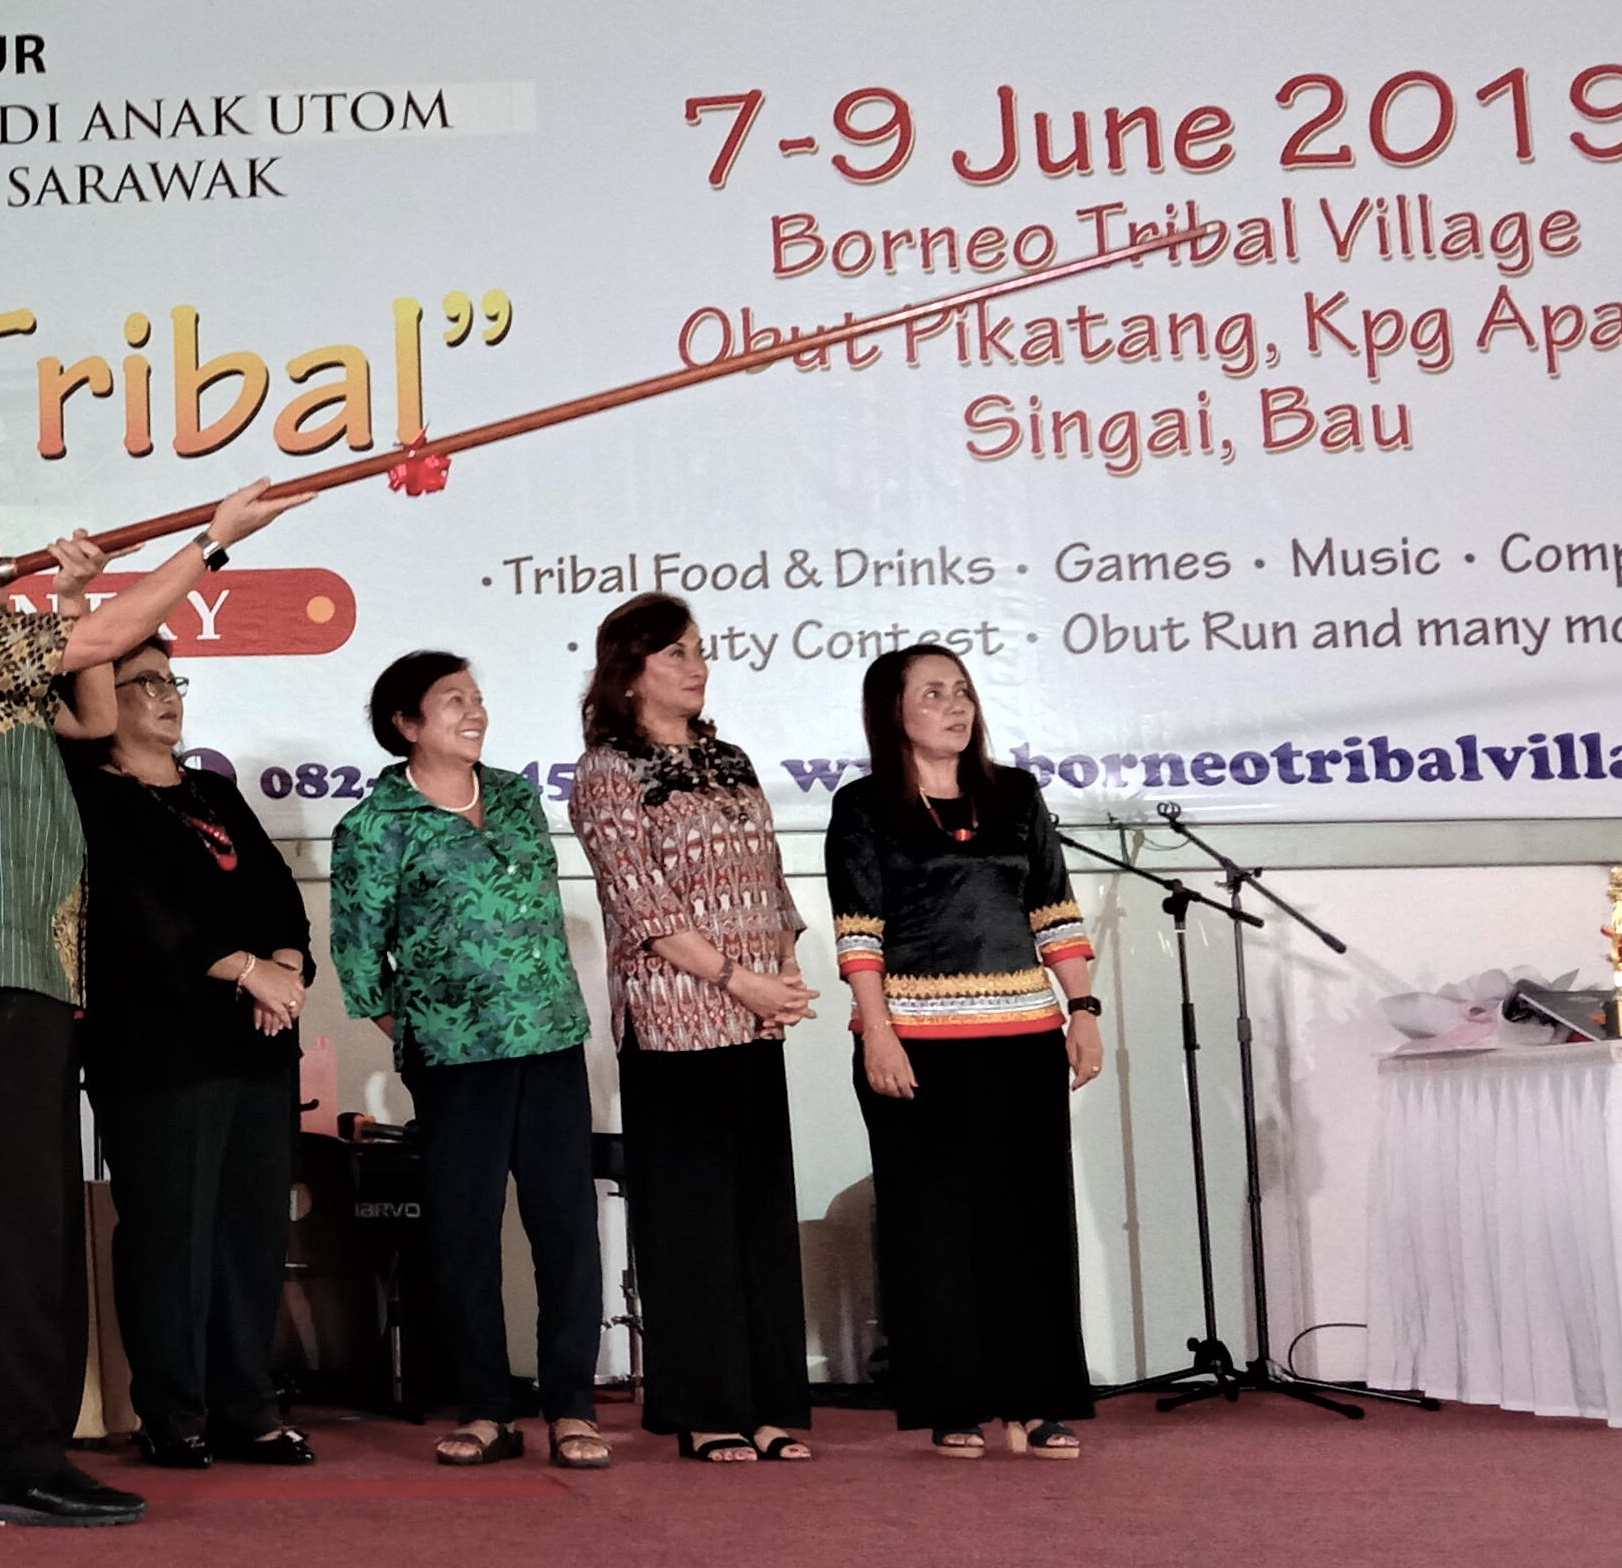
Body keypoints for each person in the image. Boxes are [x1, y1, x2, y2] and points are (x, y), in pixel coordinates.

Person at [0, 474, 308, 1528]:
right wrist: (211, 543)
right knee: (17, 1228)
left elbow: (94, 705)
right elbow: (105, 641)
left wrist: (67, 597)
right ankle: (19, 1457)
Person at [827, 643, 1103, 1461]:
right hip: (916, 1048)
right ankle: (954, 1402)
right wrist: (878, 1032)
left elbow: (1054, 910)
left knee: (1030, 1225)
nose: (956, 706)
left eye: (963, 691)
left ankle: (1036, 1401)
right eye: (933, 693)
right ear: (893, 713)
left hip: (1023, 1042)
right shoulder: (865, 805)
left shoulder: (1015, 795)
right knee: (932, 1232)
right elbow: (859, 932)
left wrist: (1082, 1010)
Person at [330, 650, 605, 1471]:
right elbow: (358, 961)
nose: (474, 712)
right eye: (453, 701)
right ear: (406, 724)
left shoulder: (518, 797)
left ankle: (571, 1406)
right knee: (464, 1231)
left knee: (566, 1224)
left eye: (477, 698)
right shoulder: (374, 826)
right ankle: (486, 1408)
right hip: (455, 1058)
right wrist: (428, 1032)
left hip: (551, 1040)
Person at [572, 593, 821, 1466]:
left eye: (699, 650)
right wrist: (740, 981)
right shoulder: (607, 770)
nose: (696, 665)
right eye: (675, 653)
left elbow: (771, 877)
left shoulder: (729, 758)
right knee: (691, 1223)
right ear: (628, 673)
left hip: (755, 1021)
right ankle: (707, 1408)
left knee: (759, 1215)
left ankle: (769, 1403)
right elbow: (639, 902)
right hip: (674, 1023)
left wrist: (783, 973)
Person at [64, 633, 314, 1472]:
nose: (167, 696)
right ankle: (171, 1412)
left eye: (172, 681)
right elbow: (135, 913)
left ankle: (247, 1406)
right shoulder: (90, 797)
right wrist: (245, 970)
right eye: (144, 683)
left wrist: (285, 968)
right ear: (98, 703)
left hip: (257, 1041)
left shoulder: (214, 791)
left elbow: (278, 893)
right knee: (171, 1234)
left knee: (251, 1233)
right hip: (159, 1048)